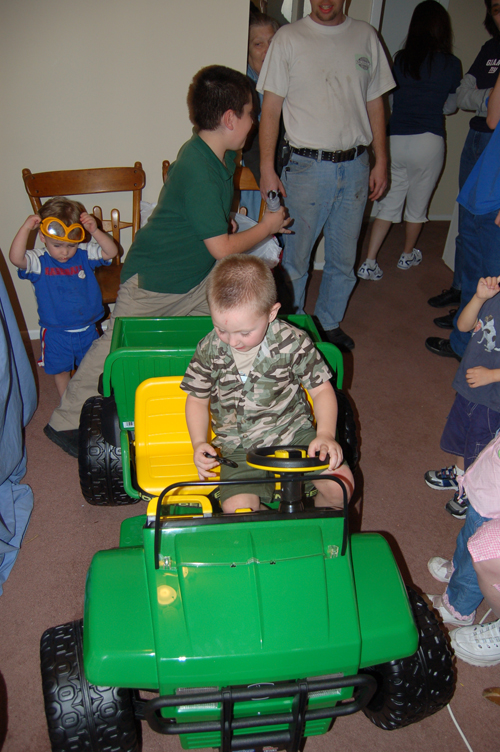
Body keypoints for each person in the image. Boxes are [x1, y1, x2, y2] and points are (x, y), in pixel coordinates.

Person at [44, 65, 290, 457]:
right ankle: (66, 423)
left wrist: (221, 217)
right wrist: (269, 225)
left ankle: (211, 407)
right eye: (250, 114)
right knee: (116, 348)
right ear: (230, 119)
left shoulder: (222, 154)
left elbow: (206, 216)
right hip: (155, 281)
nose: (254, 121)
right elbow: (224, 249)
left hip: (193, 277)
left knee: (221, 328)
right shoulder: (198, 168)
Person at [257, 0, 395, 351]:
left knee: (343, 258)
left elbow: (375, 103)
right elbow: (270, 109)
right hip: (305, 168)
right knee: (296, 260)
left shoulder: (365, 36)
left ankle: (329, 322)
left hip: (356, 166)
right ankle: (293, 324)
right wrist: (267, 168)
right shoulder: (289, 38)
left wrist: (381, 160)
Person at [181, 254, 354, 513]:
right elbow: (196, 399)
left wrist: (326, 434)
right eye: (221, 329)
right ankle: (274, 537)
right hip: (238, 445)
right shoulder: (209, 348)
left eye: (244, 332)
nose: (232, 341)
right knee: (238, 510)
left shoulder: (293, 341)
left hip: (293, 432)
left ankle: (315, 525)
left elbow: (321, 391)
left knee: (341, 487)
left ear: (271, 312)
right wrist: (198, 443)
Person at [357, 1, 461, 281]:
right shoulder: (451, 64)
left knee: (388, 204)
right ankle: (406, 255)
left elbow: (389, 100)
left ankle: (369, 261)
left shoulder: (401, 59)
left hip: (396, 139)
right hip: (429, 140)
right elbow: (450, 107)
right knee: (418, 204)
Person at [425, 0, 500, 355]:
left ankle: (470, 344)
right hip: (482, 151)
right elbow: (466, 100)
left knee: (491, 259)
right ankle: (464, 324)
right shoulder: (490, 50)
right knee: (469, 240)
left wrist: (482, 99)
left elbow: (490, 114)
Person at [9, 198, 117, 397]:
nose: (65, 252)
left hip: (87, 328)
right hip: (56, 332)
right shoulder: (39, 261)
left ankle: (90, 400)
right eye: (57, 245)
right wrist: (26, 228)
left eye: (71, 246)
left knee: (92, 368)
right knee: (60, 371)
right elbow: (16, 258)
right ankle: (67, 403)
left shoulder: (84, 254)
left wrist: (95, 231)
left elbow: (111, 251)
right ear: (43, 237)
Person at [424, 273, 500, 520]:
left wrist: (492, 375)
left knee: (479, 444)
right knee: (460, 435)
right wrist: (479, 297)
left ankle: (471, 488)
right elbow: (463, 326)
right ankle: (459, 474)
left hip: (492, 397)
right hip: (469, 387)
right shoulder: (493, 294)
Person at [426, 432, 500, 667]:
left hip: (492, 506)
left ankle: (458, 607)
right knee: (465, 541)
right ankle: (457, 568)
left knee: (473, 561)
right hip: (484, 490)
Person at [240, 9, 280, 221]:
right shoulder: (243, 86)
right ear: (247, 50)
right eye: (258, 44)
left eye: (272, 43)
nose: (267, 51)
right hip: (252, 174)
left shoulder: (282, 83)